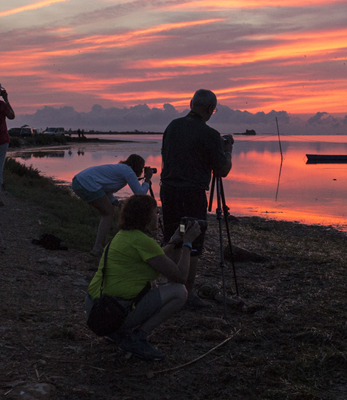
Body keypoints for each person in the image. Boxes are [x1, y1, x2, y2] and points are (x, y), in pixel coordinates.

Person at [85, 194, 201, 361]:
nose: (158, 216)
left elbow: (156, 259)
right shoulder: (143, 242)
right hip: (112, 313)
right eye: (155, 212)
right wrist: (188, 244)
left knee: (150, 284)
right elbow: (181, 277)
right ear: (145, 217)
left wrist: (174, 241)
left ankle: (117, 333)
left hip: (95, 308)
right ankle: (138, 337)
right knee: (179, 291)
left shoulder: (124, 236)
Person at [159, 89, 232, 309]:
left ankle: (170, 287)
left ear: (191, 104)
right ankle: (187, 294)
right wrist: (227, 150)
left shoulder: (172, 126)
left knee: (173, 238)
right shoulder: (210, 135)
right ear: (210, 110)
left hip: (168, 189)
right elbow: (222, 170)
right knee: (192, 242)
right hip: (192, 193)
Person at [72, 154, 153, 256]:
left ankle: (101, 245)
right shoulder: (128, 170)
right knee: (108, 213)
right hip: (86, 183)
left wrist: (117, 203)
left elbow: (105, 190)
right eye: (142, 167)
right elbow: (139, 193)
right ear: (138, 166)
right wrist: (147, 180)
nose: (142, 170)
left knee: (107, 212)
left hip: (79, 182)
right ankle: (97, 247)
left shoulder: (121, 169)